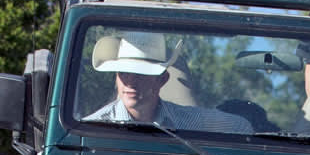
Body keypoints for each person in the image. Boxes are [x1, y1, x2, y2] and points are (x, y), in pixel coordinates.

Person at [82, 34, 249, 131]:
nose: (130, 82)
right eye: (123, 73)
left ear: (162, 79)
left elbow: (241, 127)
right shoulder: (90, 128)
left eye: (141, 74)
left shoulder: (189, 121)